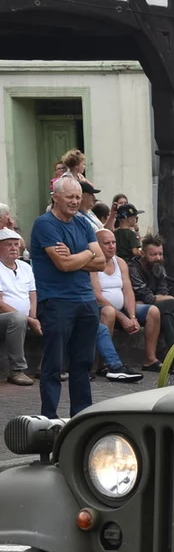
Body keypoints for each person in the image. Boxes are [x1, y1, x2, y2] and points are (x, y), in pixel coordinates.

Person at [29, 176, 105, 417]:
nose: (75, 201)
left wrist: (75, 255)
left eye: (78, 197)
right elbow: (62, 264)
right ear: (55, 197)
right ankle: (48, 420)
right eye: (70, 197)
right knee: (53, 365)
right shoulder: (44, 225)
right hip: (56, 302)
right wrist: (86, 255)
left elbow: (101, 262)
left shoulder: (83, 223)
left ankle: (81, 417)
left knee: (82, 364)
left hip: (86, 302)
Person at [90, 229, 155, 378]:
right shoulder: (93, 264)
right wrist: (122, 317)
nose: (112, 246)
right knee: (109, 312)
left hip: (122, 309)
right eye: (106, 243)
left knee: (153, 312)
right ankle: (104, 364)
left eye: (113, 242)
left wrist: (132, 316)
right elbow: (97, 296)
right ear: (97, 245)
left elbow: (128, 291)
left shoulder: (120, 262)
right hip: (102, 309)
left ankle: (150, 359)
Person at [127, 234, 174, 368]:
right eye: (153, 254)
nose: (158, 258)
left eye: (160, 254)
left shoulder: (158, 267)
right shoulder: (133, 268)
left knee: (167, 312)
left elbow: (162, 291)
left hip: (150, 306)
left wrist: (164, 298)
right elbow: (147, 296)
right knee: (172, 303)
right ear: (142, 253)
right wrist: (167, 298)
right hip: (133, 308)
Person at [0, 227, 40, 386]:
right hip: (6, 319)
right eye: (8, 244)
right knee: (17, 319)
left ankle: (50, 366)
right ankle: (17, 370)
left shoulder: (25, 267)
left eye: (16, 244)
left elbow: (32, 295)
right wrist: (28, 319)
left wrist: (34, 316)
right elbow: (0, 304)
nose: (14, 248)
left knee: (59, 315)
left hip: (26, 318)